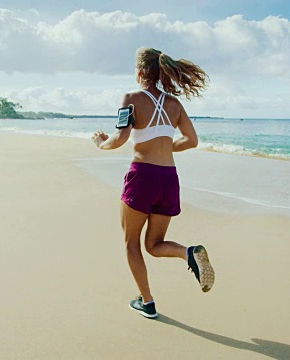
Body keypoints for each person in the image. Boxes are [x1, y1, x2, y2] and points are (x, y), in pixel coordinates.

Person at [91, 47, 214, 319]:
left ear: (139, 72)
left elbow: (120, 138)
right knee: (154, 245)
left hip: (142, 177)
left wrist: (101, 144)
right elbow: (192, 140)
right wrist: (166, 148)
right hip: (169, 180)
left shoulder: (131, 98)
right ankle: (188, 253)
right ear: (161, 72)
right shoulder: (175, 104)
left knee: (131, 244)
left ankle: (147, 302)